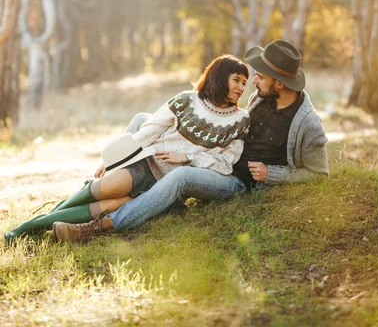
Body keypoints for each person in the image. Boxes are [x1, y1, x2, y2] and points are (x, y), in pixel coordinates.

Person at [51, 40, 329, 243]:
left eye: (261, 77)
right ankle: (113, 177)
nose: (253, 82)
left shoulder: (307, 124)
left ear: (280, 84)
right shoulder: (262, 98)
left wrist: (273, 174)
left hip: (235, 179)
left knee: (182, 175)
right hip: (216, 159)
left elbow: (319, 174)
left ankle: (101, 226)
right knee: (141, 120)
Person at [4, 54, 250, 243]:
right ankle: (27, 229)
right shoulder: (187, 99)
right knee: (109, 186)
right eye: (236, 80)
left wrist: (187, 157)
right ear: (219, 77)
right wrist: (114, 159)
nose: (241, 87)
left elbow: (226, 163)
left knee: (111, 205)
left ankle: (60, 228)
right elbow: (149, 129)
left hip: (164, 186)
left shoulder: (240, 119)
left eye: (244, 82)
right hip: (147, 165)